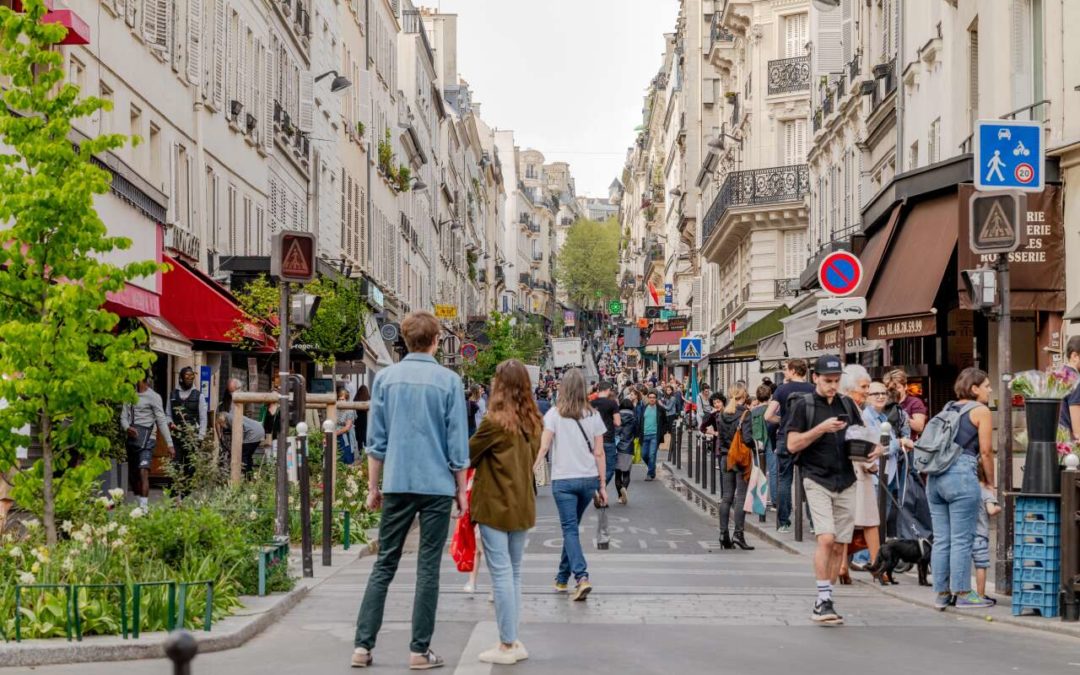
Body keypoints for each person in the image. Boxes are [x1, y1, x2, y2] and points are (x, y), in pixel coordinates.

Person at [352, 311, 469, 670]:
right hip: (435, 486)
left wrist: (374, 487)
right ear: (436, 341)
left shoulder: (385, 380)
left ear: (403, 340)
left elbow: (376, 443)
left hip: (398, 481)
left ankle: (362, 647)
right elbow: (457, 446)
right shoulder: (449, 382)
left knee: (385, 562)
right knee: (428, 567)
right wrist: (461, 492)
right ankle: (419, 651)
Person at [786, 355, 880, 625]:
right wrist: (821, 429)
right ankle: (822, 598)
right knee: (826, 538)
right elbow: (793, 444)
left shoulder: (847, 404)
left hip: (846, 480)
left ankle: (826, 597)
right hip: (816, 478)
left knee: (840, 545)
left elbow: (859, 439)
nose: (832, 386)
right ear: (815, 377)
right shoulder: (804, 406)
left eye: (837, 381)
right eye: (828, 381)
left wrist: (872, 455)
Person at [468, 359, 542, 665]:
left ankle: (507, 644)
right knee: (514, 572)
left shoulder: (494, 423)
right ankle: (513, 639)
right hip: (523, 503)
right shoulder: (534, 421)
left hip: (495, 505)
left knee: (500, 574)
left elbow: (467, 454)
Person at [534, 368, 607, 601]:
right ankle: (561, 579)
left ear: (562, 388)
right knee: (572, 528)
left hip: (563, 480)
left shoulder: (554, 415)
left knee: (569, 529)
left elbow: (544, 447)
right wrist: (603, 485)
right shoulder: (593, 415)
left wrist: (531, 468)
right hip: (588, 480)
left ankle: (582, 577)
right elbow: (599, 452)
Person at [927, 368, 996, 611]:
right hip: (961, 476)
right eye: (986, 385)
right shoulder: (981, 411)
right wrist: (990, 481)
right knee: (961, 539)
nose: (989, 389)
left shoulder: (947, 409)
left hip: (935, 478)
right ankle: (964, 593)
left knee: (942, 539)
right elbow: (986, 452)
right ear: (974, 388)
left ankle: (943, 593)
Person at [765, 359, 815, 533]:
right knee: (809, 480)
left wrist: (784, 420)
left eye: (786, 369)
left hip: (785, 437)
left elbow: (768, 416)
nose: (784, 372)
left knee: (784, 479)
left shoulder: (782, 389)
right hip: (807, 438)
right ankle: (814, 523)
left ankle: (784, 522)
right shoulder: (813, 389)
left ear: (794, 371)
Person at [702, 385, 755, 551]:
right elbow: (747, 439)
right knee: (740, 496)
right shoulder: (745, 413)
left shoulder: (722, 414)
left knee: (726, 497)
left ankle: (723, 534)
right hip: (739, 458)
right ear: (743, 395)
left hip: (725, 457)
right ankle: (738, 533)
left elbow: (722, 437)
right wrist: (755, 444)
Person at [838, 365, 877, 584]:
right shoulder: (851, 407)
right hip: (858, 471)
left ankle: (843, 565)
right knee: (869, 522)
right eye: (864, 386)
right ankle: (879, 566)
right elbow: (856, 442)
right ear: (851, 388)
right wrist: (872, 461)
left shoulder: (845, 406)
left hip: (848, 471)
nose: (867, 390)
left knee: (846, 522)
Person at [121, 376, 174, 508]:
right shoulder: (129, 396)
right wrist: (127, 428)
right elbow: (123, 417)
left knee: (143, 471)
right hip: (133, 439)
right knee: (134, 478)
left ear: (141, 379)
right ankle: (140, 503)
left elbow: (161, 420)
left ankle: (144, 509)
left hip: (149, 439)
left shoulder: (154, 397)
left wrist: (170, 444)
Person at [166, 366, 207, 495]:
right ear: (181, 378)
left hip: (192, 437)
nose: (190, 379)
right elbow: (167, 414)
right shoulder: (172, 395)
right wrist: (170, 422)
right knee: (175, 465)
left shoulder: (199, 396)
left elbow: (203, 418)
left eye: (192, 377)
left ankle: (186, 495)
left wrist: (200, 437)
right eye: (187, 376)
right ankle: (173, 496)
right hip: (176, 436)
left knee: (191, 467)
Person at [974, 461, 1001, 604]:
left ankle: (961, 592)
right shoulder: (986, 493)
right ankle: (981, 595)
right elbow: (991, 510)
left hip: (965, 535)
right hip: (980, 536)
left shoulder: (967, 491)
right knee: (980, 566)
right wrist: (999, 508)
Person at [750, 384, 776, 508]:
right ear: (770, 395)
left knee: (758, 470)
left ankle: (758, 502)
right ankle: (775, 501)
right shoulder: (772, 410)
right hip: (771, 441)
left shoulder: (752, 412)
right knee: (774, 471)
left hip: (757, 442)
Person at [591, 381, 621, 488]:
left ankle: (596, 488)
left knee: (595, 467)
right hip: (608, 438)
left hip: (594, 439)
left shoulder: (591, 403)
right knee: (610, 468)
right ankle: (600, 488)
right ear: (608, 390)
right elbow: (618, 422)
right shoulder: (612, 403)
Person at [884, 369, 928, 439]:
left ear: (905, 387)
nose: (895, 391)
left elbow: (919, 427)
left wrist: (901, 416)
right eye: (892, 389)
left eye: (898, 387)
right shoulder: (884, 402)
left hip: (908, 443)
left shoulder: (914, 402)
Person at [636, 389, 669, 481]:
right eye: (650, 397)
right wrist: (638, 434)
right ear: (648, 398)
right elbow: (640, 422)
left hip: (655, 435)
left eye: (654, 398)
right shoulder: (644, 408)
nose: (652, 399)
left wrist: (662, 432)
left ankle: (650, 473)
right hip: (644, 435)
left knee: (652, 454)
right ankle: (652, 467)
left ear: (656, 399)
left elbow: (666, 422)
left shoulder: (661, 409)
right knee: (644, 455)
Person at [614, 397, 638, 505]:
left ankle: (619, 496)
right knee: (627, 473)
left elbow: (614, 430)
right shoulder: (634, 417)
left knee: (617, 473)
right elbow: (636, 432)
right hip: (628, 447)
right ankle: (624, 488)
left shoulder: (616, 416)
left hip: (617, 446)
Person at [1060, 336, 1080, 440]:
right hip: (1069, 444)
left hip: (1057, 440)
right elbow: (1078, 432)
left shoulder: (1059, 374)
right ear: (1074, 356)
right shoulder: (1076, 380)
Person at [336, 387, 357, 465]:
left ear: (346, 400)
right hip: (336, 435)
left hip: (345, 437)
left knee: (346, 458)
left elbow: (347, 427)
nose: (341, 401)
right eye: (339, 399)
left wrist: (335, 433)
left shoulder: (349, 410)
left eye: (343, 399)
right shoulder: (336, 409)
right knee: (337, 459)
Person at [354, 385, 370, 459]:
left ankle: (360, 453)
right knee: (365, 436)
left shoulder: (356, 398)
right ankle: (367, 453)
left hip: (357, 420)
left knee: (359, 438)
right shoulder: (368, 398)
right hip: (365, 420)